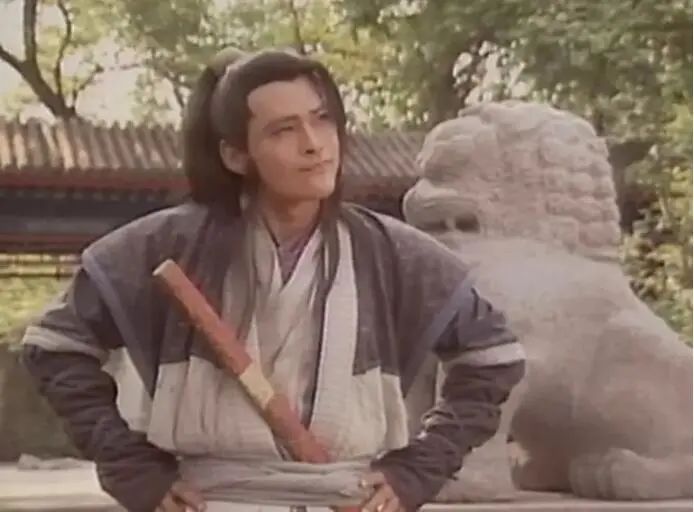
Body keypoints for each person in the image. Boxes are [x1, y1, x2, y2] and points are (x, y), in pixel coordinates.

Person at [21, 48, 526, 512]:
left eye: (322, 120)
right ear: (236, 155)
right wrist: (131, 467)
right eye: (284, 130)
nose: (314, 145)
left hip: (347, 498)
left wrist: (420, 467)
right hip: (212, 499)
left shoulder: (394, 253)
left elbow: (493, 357)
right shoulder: (165, 245)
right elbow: (55, 346)